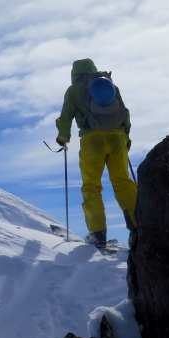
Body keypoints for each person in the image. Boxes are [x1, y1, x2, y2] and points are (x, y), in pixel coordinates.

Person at [54, 59, 137, 248]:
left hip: (92, 140)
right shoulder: (110, 85)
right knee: (123, 181)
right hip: (117, 138)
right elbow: (125, 112)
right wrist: (126, 137)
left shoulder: (74, 90)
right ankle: (138, 228)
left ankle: (98, 234)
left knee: (91, 186)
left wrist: (63, 137)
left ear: (74, 73)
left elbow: (65, 116)